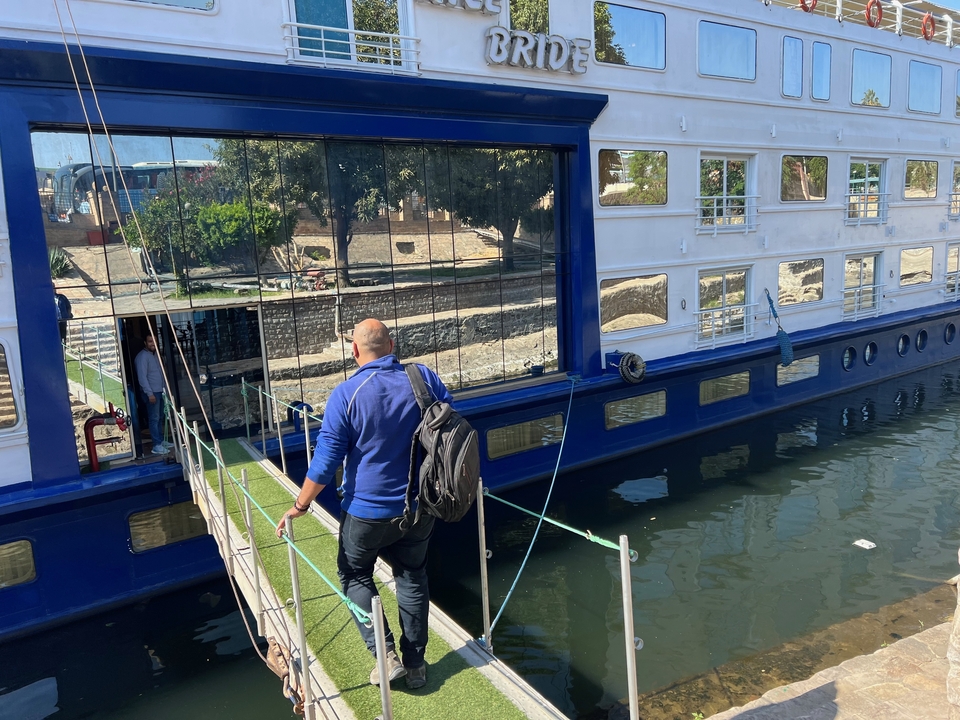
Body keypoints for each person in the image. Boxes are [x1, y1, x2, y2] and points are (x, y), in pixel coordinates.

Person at [275, 318, 452, 691]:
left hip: (366, 512)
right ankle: (416, 664)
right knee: (412, 576)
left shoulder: (346, 394)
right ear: (391, 345)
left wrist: (300, 505)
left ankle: (384, 656)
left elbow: (325, 463)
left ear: (355, 352)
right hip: (419, 506)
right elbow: (448, 425)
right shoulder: (424, 378)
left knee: (354, 574)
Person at [135, 335, 170, 456]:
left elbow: (161, 372)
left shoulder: (155, 355)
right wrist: (149, 393)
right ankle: (156, 445)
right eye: (150, 341)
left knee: (159, 417)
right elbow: (142, 377)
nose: (153, 343)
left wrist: (164, 388)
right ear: (145, 342)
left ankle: (160, 441)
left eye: (154, 341)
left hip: (159, 391)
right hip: (152, 393)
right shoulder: (142, 357)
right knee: (154, 418)